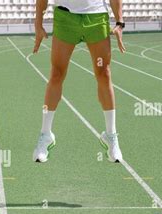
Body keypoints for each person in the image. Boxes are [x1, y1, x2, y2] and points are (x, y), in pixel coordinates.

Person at [32, 0, 126, 163]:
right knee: (56, 74)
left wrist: (120, 22)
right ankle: (45, 135)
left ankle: (111, 136)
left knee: (104, 74)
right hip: (65, 17)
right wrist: (38, 24)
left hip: (96, 17)